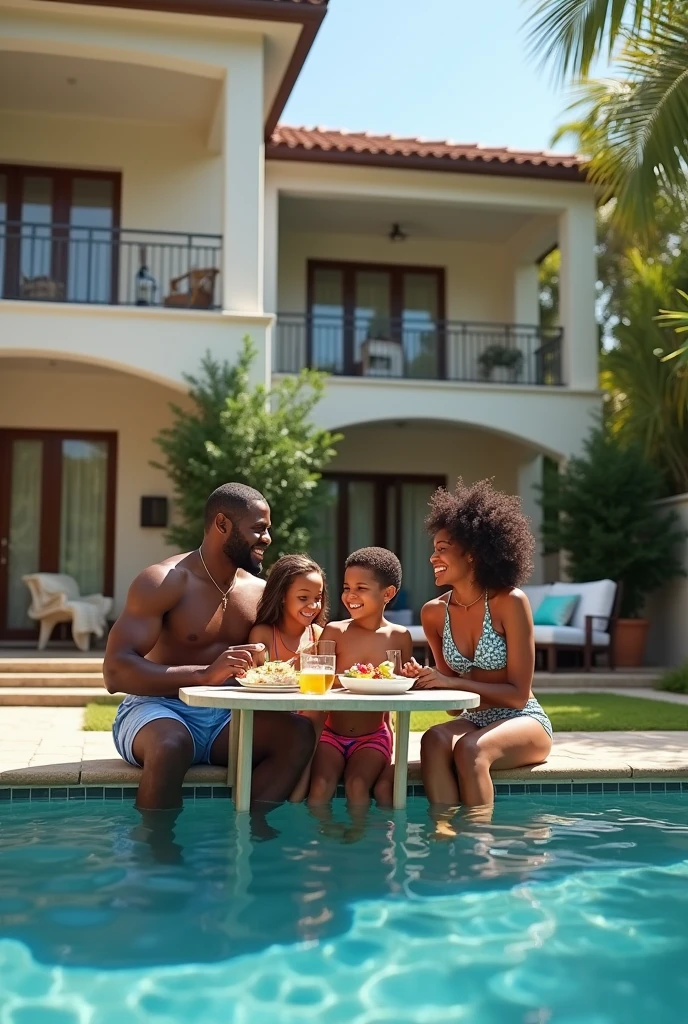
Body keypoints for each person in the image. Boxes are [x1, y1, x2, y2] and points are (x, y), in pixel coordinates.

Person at [103, 482, 316, 811]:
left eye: (268, 530)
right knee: (171, 745)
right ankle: (156, 854)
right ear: (222, 524)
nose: (267, 539)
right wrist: (203, 674)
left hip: (224, 719)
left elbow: (302, 635)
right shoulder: (165, 581)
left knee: (297, 733)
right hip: (159, 710)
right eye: (258, 529)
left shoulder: (259, 592)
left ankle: (245, 842)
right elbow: (115, 672)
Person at [403, 479, 552, 810]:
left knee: (470, 749)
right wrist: (427, 680)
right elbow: (455, 707)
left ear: (472, 554)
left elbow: (516, 694)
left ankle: (477, 848)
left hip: (522, 719)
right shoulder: (433, 613)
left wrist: (451, 680)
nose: (433, 557)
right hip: (476, 718)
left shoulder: (509, 602)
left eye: (443, 549)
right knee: (433, 739)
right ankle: (443, 835)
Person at [306, 547, 412, 808]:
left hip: (373, 737)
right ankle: (321, 843)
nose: (350, 595)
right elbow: (322, 683)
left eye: (361, 588)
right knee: (320, 785)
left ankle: (360, 845)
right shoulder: (334, 632)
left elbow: (400, 690)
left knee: (357, 785)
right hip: (331, 733)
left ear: (387, 594)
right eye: (346, 587)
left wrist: (412, 675)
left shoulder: (398, 637)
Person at [248, 554, 327, 661]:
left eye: (318, 598)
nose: (313, 606)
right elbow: (256, 675)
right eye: (303, 598)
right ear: (282, 596)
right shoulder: (263, 635)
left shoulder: (319, 635)